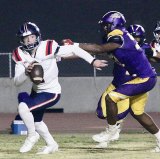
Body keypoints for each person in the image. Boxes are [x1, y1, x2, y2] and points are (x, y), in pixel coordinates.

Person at [68, 11, 160, 152]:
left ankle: (111, 131)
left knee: (111, 98)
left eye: (106, 25)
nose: (104, 28)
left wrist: (75, 45)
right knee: (137, 113)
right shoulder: (118, 37)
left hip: (143, 78)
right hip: (141, 78)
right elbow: (100, 50)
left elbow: (98, 49)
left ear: (114, 24)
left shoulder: (119, 37)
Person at [12, 22, 107, 154]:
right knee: (36, 120)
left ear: (37, 36)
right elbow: (17, 82)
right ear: (21, 40)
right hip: (37, 91)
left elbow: (74, 49)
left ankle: (32, 135)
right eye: (25, 38)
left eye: (32, 36)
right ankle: (52, 144)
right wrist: (26, 72)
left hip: (51, 92)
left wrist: (92, 61)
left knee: (23, 108)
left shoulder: (48, 46)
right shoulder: (19, 53)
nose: (29, 40)